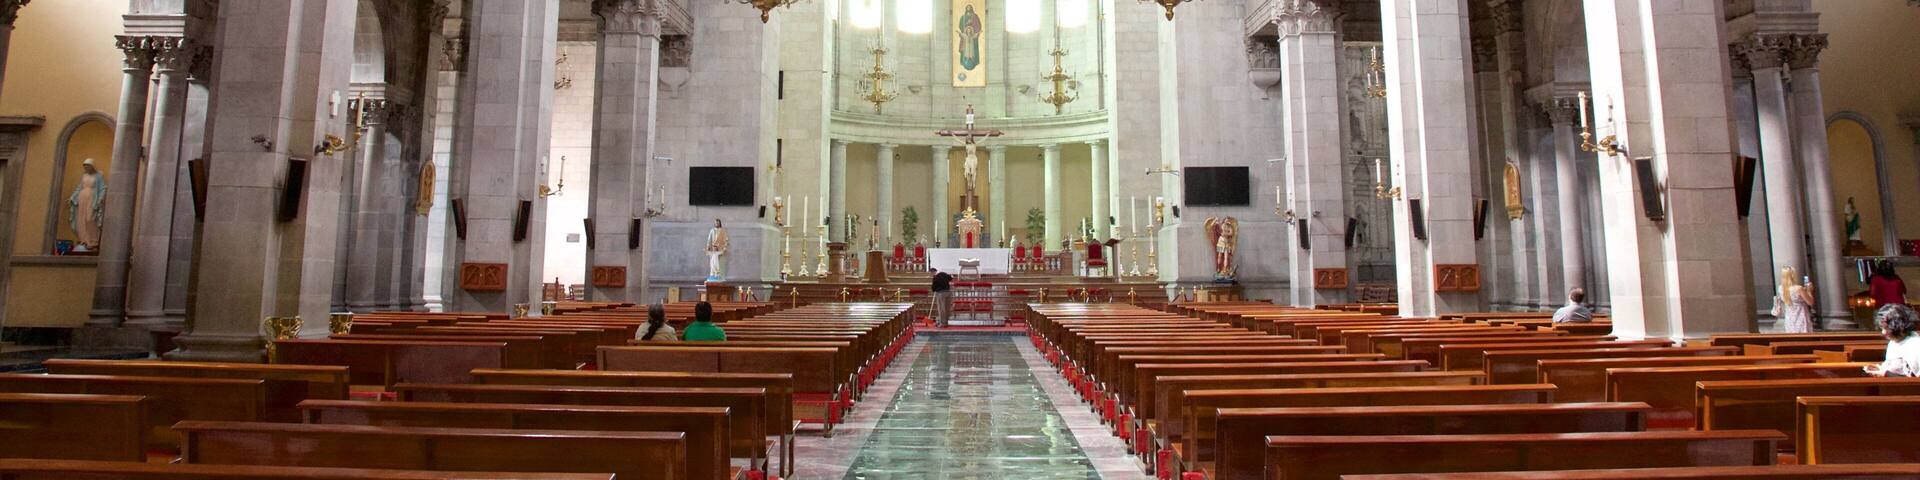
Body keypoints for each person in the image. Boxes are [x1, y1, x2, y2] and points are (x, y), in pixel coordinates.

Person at [1865, 304, 1919, 377]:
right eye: (1882, 328)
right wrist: (1880, 369)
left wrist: (1886, 374)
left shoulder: (1915, 345)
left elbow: (1914, 380)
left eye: (1887, 328)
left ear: (1900, 327)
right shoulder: (1893, 342)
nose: (1883, 332)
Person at [1774, 267, 1815, 333]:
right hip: (1801, 316)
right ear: (1793, 276)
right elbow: (1810, 302)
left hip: (1789, 318)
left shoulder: (1780, 288)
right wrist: (1809, 291)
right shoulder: (1799, 288)